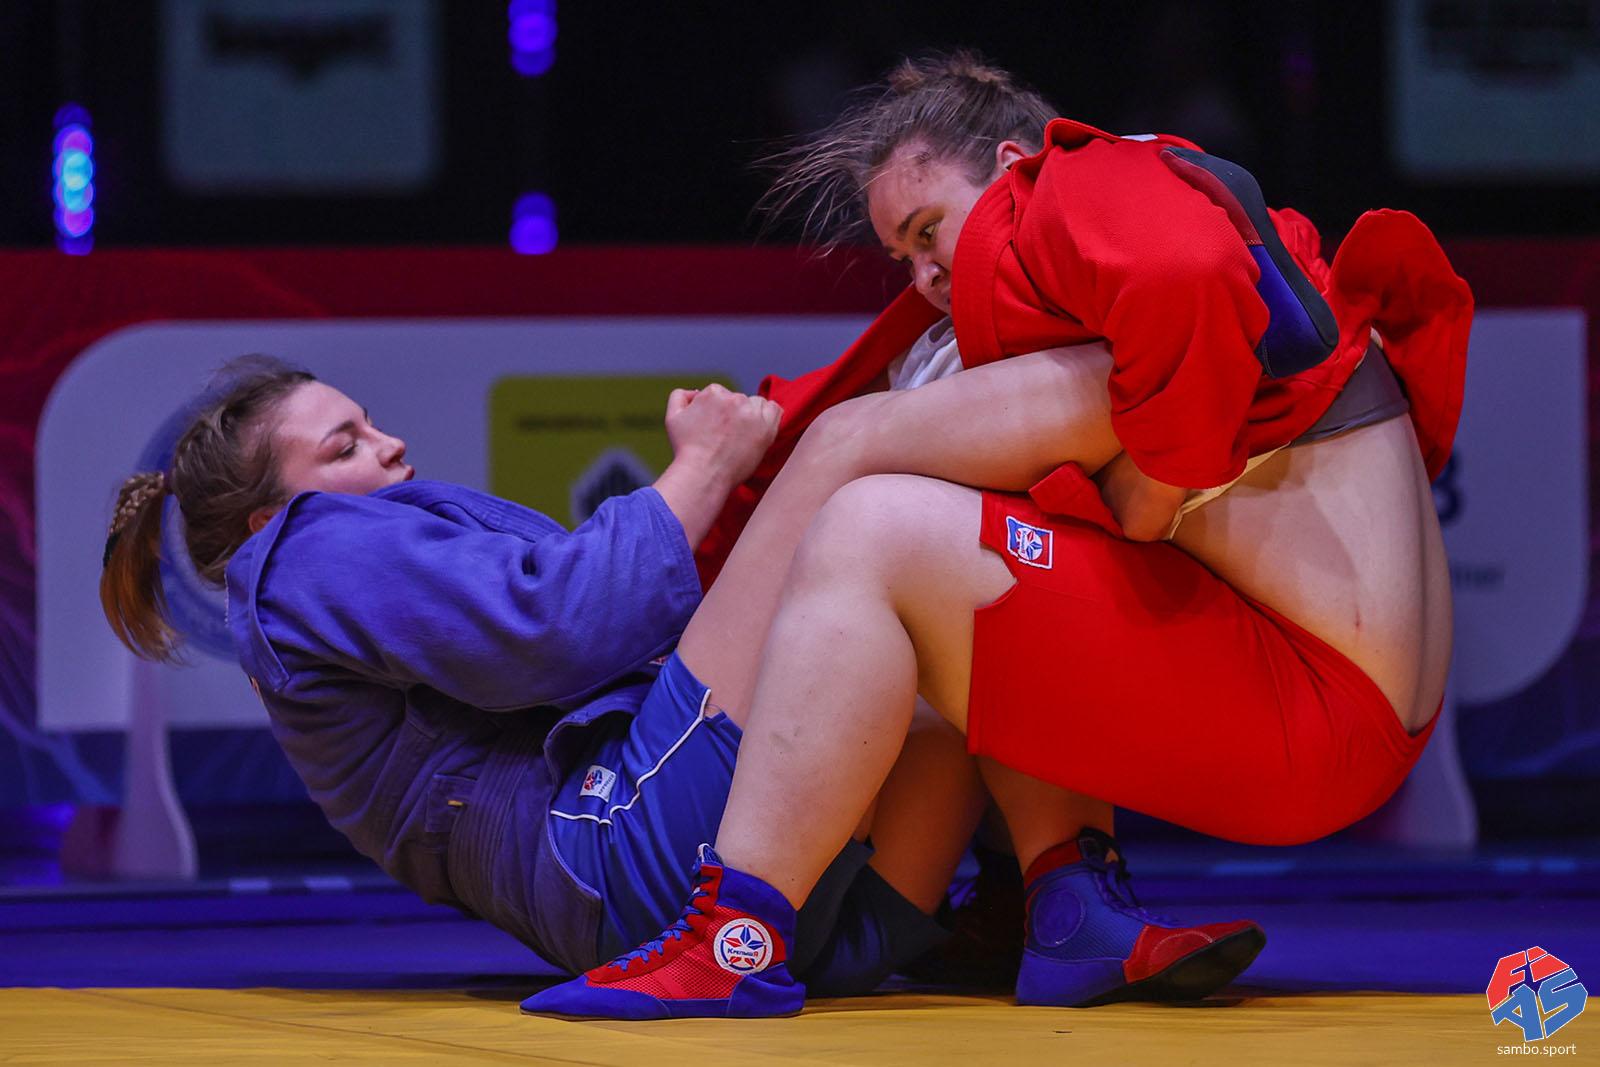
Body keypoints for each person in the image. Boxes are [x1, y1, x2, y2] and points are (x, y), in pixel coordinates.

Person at [522, 51, 1471, 1019]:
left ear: (1012, 163)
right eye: (901, 258)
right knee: (985, 538)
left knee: (869, 525)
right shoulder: (1113, 246)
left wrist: (1154, 485)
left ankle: (735, 940)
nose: (925, 276)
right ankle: (1065, 904)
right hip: (1341, 707)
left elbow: (1189, 273)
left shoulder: (1071, 187)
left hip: (1317, 701)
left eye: (929, 231)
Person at [100, 356, 1257, 1005]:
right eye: (343, 446)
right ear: (266, 515)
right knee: (847, 456)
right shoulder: (299, 553)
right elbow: (559, 626)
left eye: (369, 422)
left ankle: (1048, 902)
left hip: (820, 919)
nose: (389, 445)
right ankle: (1198, 367)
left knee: (965, 600)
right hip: (633, 869)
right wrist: (703, 463)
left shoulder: (329, 558)